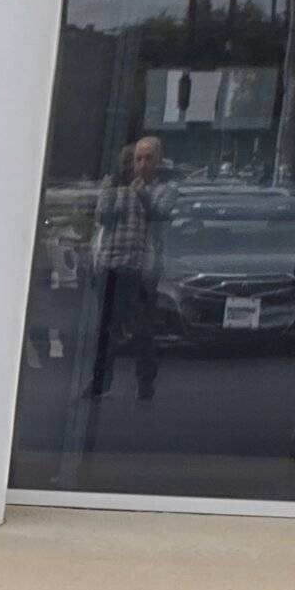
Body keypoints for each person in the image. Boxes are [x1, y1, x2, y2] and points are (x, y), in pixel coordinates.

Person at [88, 133, 168, 403]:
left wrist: (142, 193)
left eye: (148, 159)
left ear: (159, 162)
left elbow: (160, 213)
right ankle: (100, 382)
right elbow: (102, 218)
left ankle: (145, 384)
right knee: (105, 330)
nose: (142, 165)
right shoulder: (116, 189)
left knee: (143, 332)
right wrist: (109, 191)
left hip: (140, 270)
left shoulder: (163, 189)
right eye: (137, 159)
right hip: (111, 265)